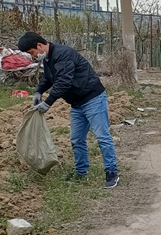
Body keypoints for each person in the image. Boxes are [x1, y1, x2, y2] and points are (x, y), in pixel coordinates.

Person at [17, 32, 119, 188]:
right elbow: (48, 78)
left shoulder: (63, 54)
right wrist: (39, 91)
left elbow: (64, 81)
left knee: (102, 136)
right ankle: (81, 172)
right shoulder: (48, 58)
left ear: (39, 45)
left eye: (32, 52)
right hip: (77, 103)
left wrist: (48, 102)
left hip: (93, 99)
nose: (33, 56)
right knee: (77, 139)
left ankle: (111, 172)